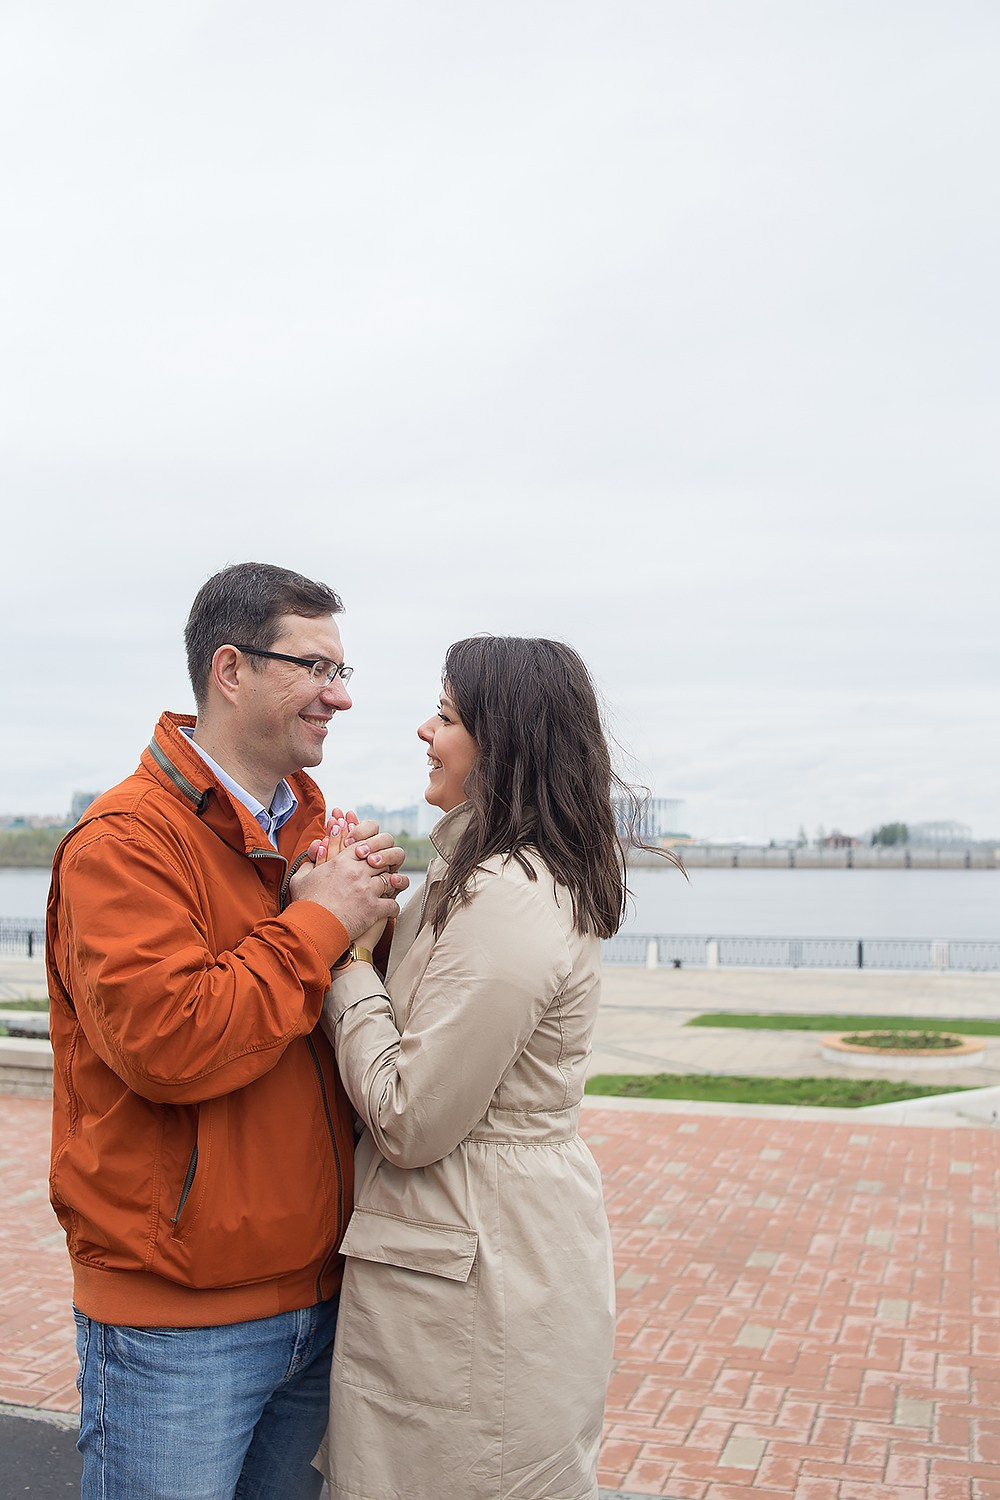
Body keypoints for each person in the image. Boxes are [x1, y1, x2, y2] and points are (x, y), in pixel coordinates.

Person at [46, 561, 407, 1500]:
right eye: (315, 667)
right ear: (231, 669)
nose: (341, 696)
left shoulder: (316, 836)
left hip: (324, 1302)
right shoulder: (123, 842)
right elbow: (175, 1041)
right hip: (177, 1325)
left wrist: (374, 927)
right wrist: (323, 922)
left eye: (345, 671)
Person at [306, 634, 649, 1500]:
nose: (425, 730)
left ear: (505, 742)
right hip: (472, 1257)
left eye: (449, 716)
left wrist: (341, 960)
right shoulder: (475, 875)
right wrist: (367, 913)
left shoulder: (507, 892)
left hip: (474, 1275)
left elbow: (413, 1116)